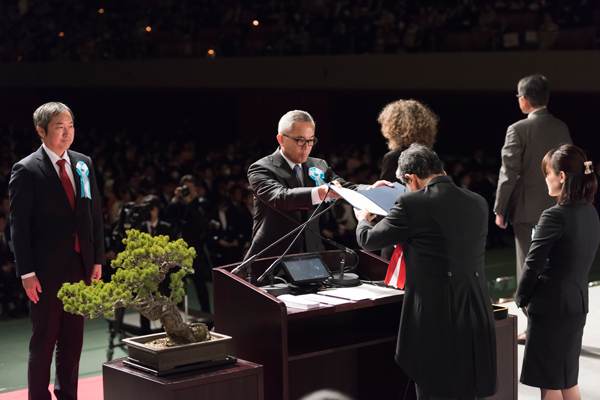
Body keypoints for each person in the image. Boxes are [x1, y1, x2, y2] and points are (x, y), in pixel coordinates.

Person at [355, 144, 497, 400]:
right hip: (476, 309)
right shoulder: (478, 202)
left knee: (434, 390)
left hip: (436, 313)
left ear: (410, 178)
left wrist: (363, 218)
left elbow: (368, 240)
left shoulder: (411, 203)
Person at [9, 102, 105, 400]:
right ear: (41, 131)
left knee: (73, 342)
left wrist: (97, 259)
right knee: (43, 343)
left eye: (71, 126)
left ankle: (68, 396)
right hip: (45, 271)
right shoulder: (25, 169)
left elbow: (94, 215)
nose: (67, 134)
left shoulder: (83, 163)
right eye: (59, 128)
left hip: (80, 264)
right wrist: (26, 272)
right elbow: (18, 227)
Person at [516, 144, 599, 400]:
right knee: (567, 380)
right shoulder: (591, 212)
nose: (546, 180)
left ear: (561, 176)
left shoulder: (554, 216)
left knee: (550, 383)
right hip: (576, 305)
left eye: (547, 174)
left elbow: (532, 264)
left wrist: (521, 298)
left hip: (551, 310)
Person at [245, 110, 387, 260]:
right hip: (272, 255)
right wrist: (319, 192)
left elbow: (345, 187)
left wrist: (370, 189)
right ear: (281, 139)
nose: (306, 147)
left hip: (310, 252)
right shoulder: (262, 168)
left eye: (311, 140)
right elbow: (280, 197)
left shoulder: (319, 164)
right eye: (300, 140)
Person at [494, 74, 572, 342]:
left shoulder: (517, 129)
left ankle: (536, 326)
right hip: (560, 207)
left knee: (528, 269)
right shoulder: (561, 127)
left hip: (527, 211)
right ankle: (553, 324)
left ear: (524, 99)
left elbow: (509, 173)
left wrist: (500, 208)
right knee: (555, 267)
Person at [377, 99, 439, 260]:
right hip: (427, 235)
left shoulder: (394, 157)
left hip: (399, 237)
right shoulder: (431, 156)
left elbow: (386, 202)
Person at [165, 175, 211, 314]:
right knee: (177, 282)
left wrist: (190, 201)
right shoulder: (178, 203)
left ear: (195, 189)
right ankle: (175, 312)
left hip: (194, 248)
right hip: (178, 248)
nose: (187, 191)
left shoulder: (201, 202)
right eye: (185, 188)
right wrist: (175, 198)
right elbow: (167, 217)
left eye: (190, 188)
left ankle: (207, 312)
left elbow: (202, 222)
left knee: (199, 282)